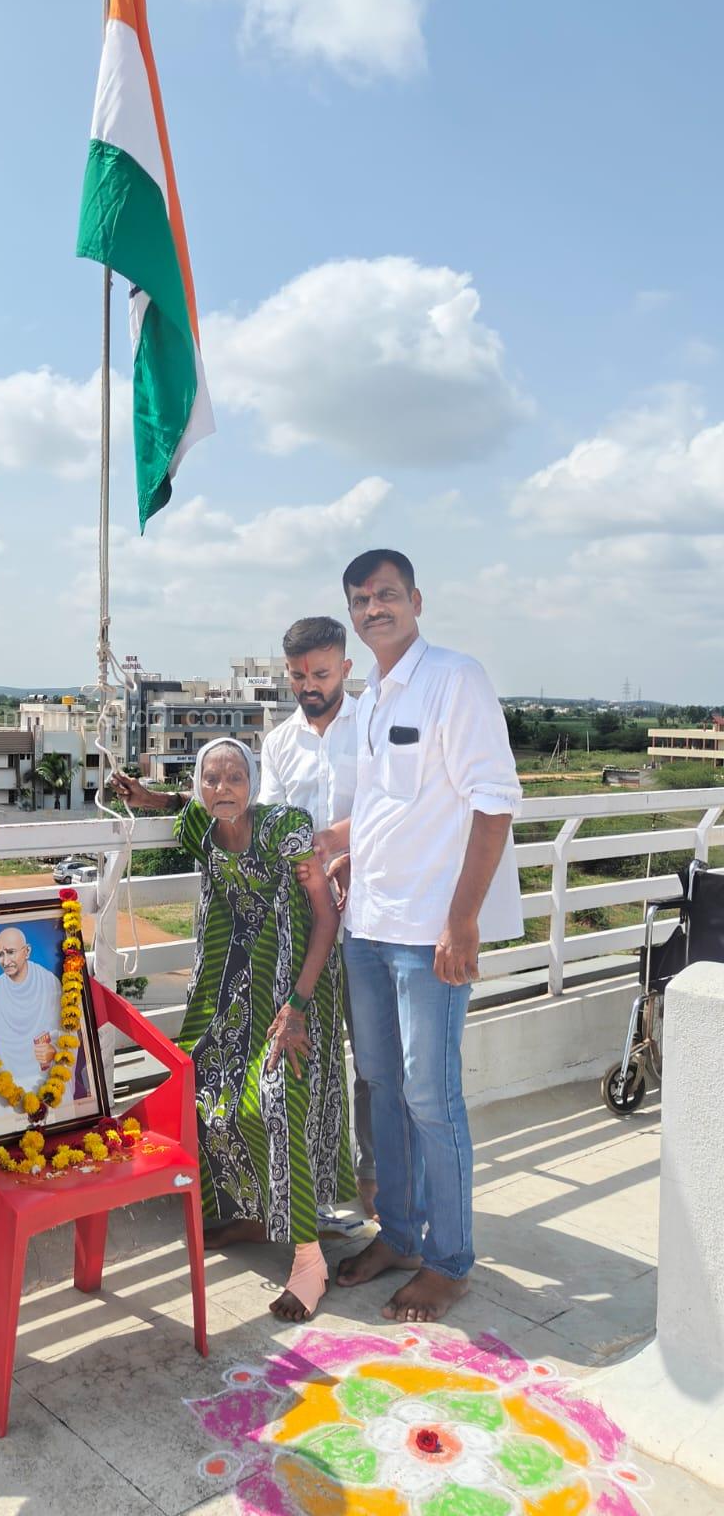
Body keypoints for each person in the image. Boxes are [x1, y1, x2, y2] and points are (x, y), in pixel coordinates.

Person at [328, 549, 522, 1323]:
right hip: (367, 923)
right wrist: (334, 841)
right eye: (360, 599)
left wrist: (463, 918)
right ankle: (401, 1235)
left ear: (416, 599)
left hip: (428, 933)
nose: (374, 608)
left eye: (386, 595)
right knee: (380, 1085)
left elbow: (494, 804)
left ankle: (449, 1261)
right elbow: (387, 806)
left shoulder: (455, 679)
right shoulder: (372, 696)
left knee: (431, 1097)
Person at [113, 738, 353, 1321]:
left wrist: (296, 1007)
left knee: (276, 1098)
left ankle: (308, 1258)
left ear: (255, 784)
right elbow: (185, 805)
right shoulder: (204, 828)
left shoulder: (284, 830)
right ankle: (252, 1212)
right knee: (209, 1096)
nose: (223, 789)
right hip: (235, 994)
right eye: (211, 779)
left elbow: (326, 916)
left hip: (299, 989)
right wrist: (147, 797)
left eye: (235, 778)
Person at [257, 615, 375, 1223]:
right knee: (315, 1060)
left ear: (345, 670)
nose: (310, 684)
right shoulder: (277, 744)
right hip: (306, 930)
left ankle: (379, 1189)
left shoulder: (373, 722)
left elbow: (390, 807)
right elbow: (272, 829)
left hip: (374, 921)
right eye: (299, 674)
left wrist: (346, 850)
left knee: (377, 1064)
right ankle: (324, 1193)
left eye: (322, 673)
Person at [0, 927, 81, 1109]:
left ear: (27, 951)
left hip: (47, 1076)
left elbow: (69, 1032)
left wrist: (53, 1051)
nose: (5, 961)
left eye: (11, 952)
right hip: (12, 1080)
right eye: (0, 954)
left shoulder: (48, 982)